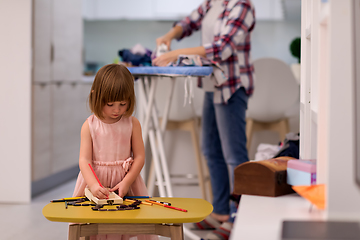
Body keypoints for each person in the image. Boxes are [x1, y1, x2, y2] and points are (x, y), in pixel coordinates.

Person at [153, 0, 255, 239]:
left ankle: (236, 217)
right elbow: (190, 22)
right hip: (212, 84)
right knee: (210, 149)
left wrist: (175, 53)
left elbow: (222, 48)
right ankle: (220, 211)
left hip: (231, 85)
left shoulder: (243, 6)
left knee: (234, 155)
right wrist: (169, 36)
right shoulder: (213, 3)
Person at [72, 64, 158, 240]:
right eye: (110, 104)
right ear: (96, 96)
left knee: (127, 224)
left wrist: (127, 182)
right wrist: (94, 185)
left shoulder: (132, 124)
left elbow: (140, 157)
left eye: (123, 104)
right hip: (96, 182)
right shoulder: (89, 126)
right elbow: (84, 160)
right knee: (92, 227)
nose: (117, 110)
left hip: (126, 182)